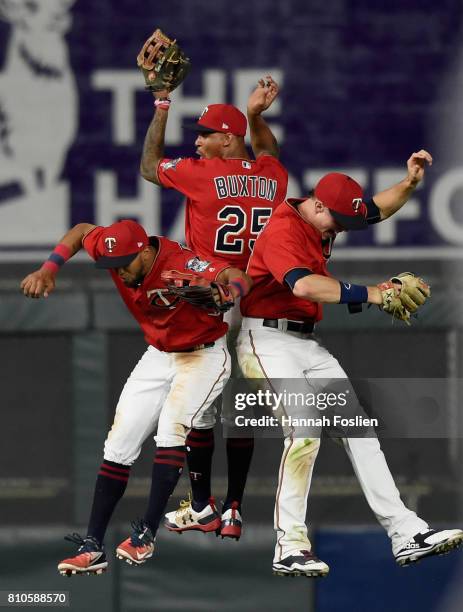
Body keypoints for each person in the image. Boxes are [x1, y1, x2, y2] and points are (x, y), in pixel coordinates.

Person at [235, 151, 463, 576]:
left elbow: (375, 208)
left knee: (359, 430)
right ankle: (289, 545)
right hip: (265, 338)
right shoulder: (284, 228)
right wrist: (374, 294)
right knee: (304, 431)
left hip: (305, 342)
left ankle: (405, 532)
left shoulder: (324, 214)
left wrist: (411, 182)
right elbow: (303, 284)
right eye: (337, 219)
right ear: (318, 205)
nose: (342, 227)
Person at [20, 219, 252, 575]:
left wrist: (230, 291)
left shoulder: (180, 262)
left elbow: (237, 274)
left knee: (171, 432)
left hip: (204, 355)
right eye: (111, 265)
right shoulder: (113, 248)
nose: (118, 272)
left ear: (144, 252)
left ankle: (146, 534)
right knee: (118, 446)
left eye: (124, 263)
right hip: (158, 355)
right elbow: (82, 230)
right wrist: (49, 268)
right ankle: (93, 545)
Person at [140, 76, 288, 539]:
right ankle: (235, 506)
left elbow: (148, 166)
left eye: (206, 134)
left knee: (201, 407)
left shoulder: (201, 173)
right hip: (260, 301)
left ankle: (202, 503)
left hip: (215, 297)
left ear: (228, 138)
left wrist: (162, 102)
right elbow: (269, 151)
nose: (199, 142)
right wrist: (257, 116)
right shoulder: (272, 177)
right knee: (241, 405)